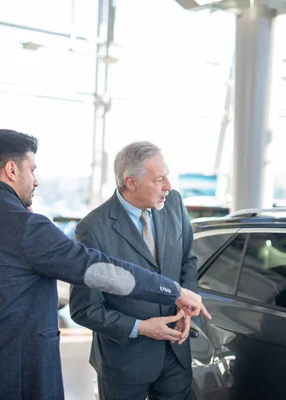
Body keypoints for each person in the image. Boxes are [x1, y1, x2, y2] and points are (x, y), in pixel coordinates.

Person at [0, 129, 209, 400]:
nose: (36, 180)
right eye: (32, 170)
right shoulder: (28, 229)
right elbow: (98, 269)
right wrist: (171, 291)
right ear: (12, 170)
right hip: (25, 388)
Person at [69, 141, 199, 400]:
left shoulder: (173, 203)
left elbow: (188, 261)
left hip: (175, 355)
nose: (168, 186)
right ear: (131, 182)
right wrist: (141, 327)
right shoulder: (93, 229)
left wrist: (187, 303)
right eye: (159, 179)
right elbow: (85, 309)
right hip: (125, 363)